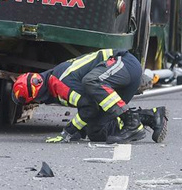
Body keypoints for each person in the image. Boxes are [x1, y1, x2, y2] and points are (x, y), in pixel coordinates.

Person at [11, 48, 167, 144]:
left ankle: (131, 123)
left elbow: (89, 108)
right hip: (117, 77)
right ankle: (152, 116)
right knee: (95, 131)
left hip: (124, 63)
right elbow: (91, 104)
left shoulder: (58, 83)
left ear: (36, 97)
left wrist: (68, 131)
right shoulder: (52, 82)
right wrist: (79, 130)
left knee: (91, 81)